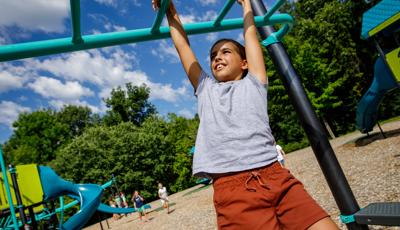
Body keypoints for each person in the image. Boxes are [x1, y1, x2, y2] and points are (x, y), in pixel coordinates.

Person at [152, 0, 338, 229]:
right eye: (213, 55)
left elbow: (250, 35)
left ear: (244, 63)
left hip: (276, 176)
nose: (216, 57)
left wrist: (247, 6)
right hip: (234, 189)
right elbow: (183, 48)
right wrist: (171, 12)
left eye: (225, 52)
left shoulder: (256, 81)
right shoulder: (205, 89)